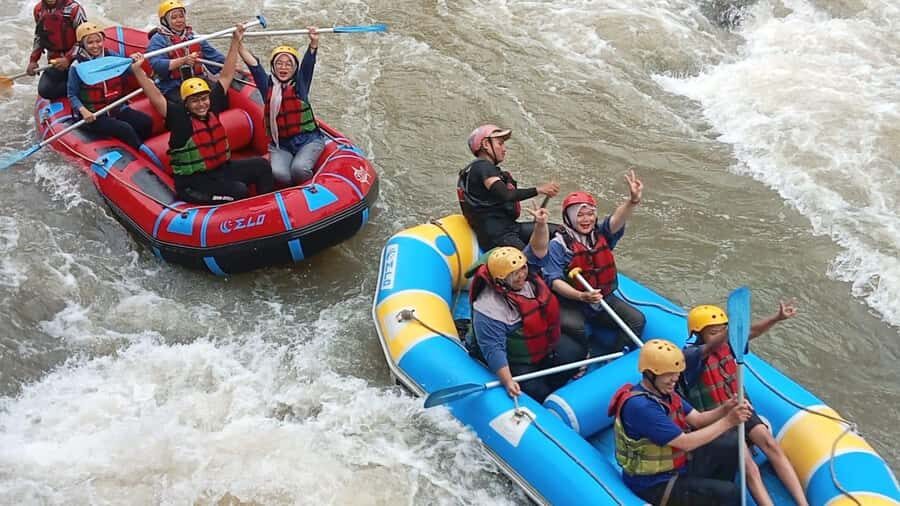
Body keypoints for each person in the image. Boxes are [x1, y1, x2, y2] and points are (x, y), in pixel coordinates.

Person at [679, 303, 808, 506]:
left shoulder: (729, 345)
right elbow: (712, 346)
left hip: (740, 408)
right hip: (718, 420)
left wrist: (776, 318)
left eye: (723, 330)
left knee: (770, 444)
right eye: (714, 332)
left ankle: (803, 504)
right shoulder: (690, 357)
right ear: (698, 334)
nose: (720, 335)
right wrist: (731, 331)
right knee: (749, 466)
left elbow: (752, 332)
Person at [130, 24, 274, 204]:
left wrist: (235, 42)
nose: (201, 104)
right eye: (195, 101)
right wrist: (138, 70)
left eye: (204, 99)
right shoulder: (179, 118)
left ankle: (267, 205)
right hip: (194, 183)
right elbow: (156, 95)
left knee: (261, 166)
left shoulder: (211, 106)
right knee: (240, 191)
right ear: (186, 103)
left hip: (221, 169)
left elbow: (226, 76)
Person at [608, 339, 752, 506]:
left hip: (676, 465)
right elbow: (685, 443)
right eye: (669, 374)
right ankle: (714, 494)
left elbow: (698, 419)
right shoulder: (641, 407)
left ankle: (708, 494)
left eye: (676, 373)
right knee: (730, 493)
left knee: (732, 444)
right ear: (649, 373)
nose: (675, 379)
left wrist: (726, 408)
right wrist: (729, 421)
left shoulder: (665, 393)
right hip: (654, 484)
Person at [467, 204, 586, 402]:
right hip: (515, 357)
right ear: (501, 279)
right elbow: (494, 349)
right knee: (538, 392)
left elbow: (538, 249)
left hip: (540, 344)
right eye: (515, 274)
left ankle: (553, 380)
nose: (522, 275)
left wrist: (540, 224)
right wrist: (507, 381)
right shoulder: (488, 308)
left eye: (522, 269)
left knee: (575, 352)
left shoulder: (526, 270)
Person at [543, 173, 646, 355]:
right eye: (580, 215)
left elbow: (617, 219)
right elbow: (554, 280)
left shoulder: (601, 234)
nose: (587, 219)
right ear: (569, 218)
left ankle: (616, 360)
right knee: (578, 329)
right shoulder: (558, 244)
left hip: (601, 298)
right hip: (572, 302)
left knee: (637, 320)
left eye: (590, 214)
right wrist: (581, 296)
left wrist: (632, 201)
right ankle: (584, 354)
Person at [238, 28, 325, 186]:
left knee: (299, 169)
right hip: (281, 144)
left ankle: (310, 190)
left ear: (294, 69)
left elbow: (308, 65)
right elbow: (254, 66)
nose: (283, 67)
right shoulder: (268, 86)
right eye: (279, 63)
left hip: (308, 140)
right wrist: (238, 42)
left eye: (288, 64)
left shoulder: (301, 85)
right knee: (280, 174)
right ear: (273, 66)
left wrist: (313, 43)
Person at [457, 124, 560, 251]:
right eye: (500, 144)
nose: (504, 149)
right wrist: (539, 190)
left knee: (560, 232)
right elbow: (506, 195)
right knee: (530, 263)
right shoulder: (483, 167)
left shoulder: (481, 169)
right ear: (485, 144)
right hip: (497, 235)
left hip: (509, 228)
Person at [66, 23, 152, 150]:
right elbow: (72, 95)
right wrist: (84, 111)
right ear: (82, 44)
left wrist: (134, 61)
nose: (95, 46)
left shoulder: (111, 55)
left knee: (145, 122)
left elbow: (128, 68)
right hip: (95, 115)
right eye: (90, 43)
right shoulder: (77, 66)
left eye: (98, 41)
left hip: (116, 108)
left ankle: (141, 149)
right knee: (125, 129)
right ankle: (138, 150)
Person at [147, 0, 225, 102]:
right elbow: (156, 64)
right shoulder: (158, 39)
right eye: (174, 18)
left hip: (197, 80)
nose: (179, 20)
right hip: (172, 84)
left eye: (181, 16)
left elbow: (215, 57)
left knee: (220, 96)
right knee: (182, 104)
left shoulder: (192, 36)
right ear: (165, 21)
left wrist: (230, 65)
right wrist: (183, 60)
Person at [27, 0, 86, 99]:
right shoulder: (38, 10)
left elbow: (84, 38)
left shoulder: (74, 8)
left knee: (82, 81)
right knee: (44, 90)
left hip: (78, 58)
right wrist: (33, 60)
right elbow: (39, 37)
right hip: (56, 60)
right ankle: (75, 88)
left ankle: (81, 88)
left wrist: (68, 58)